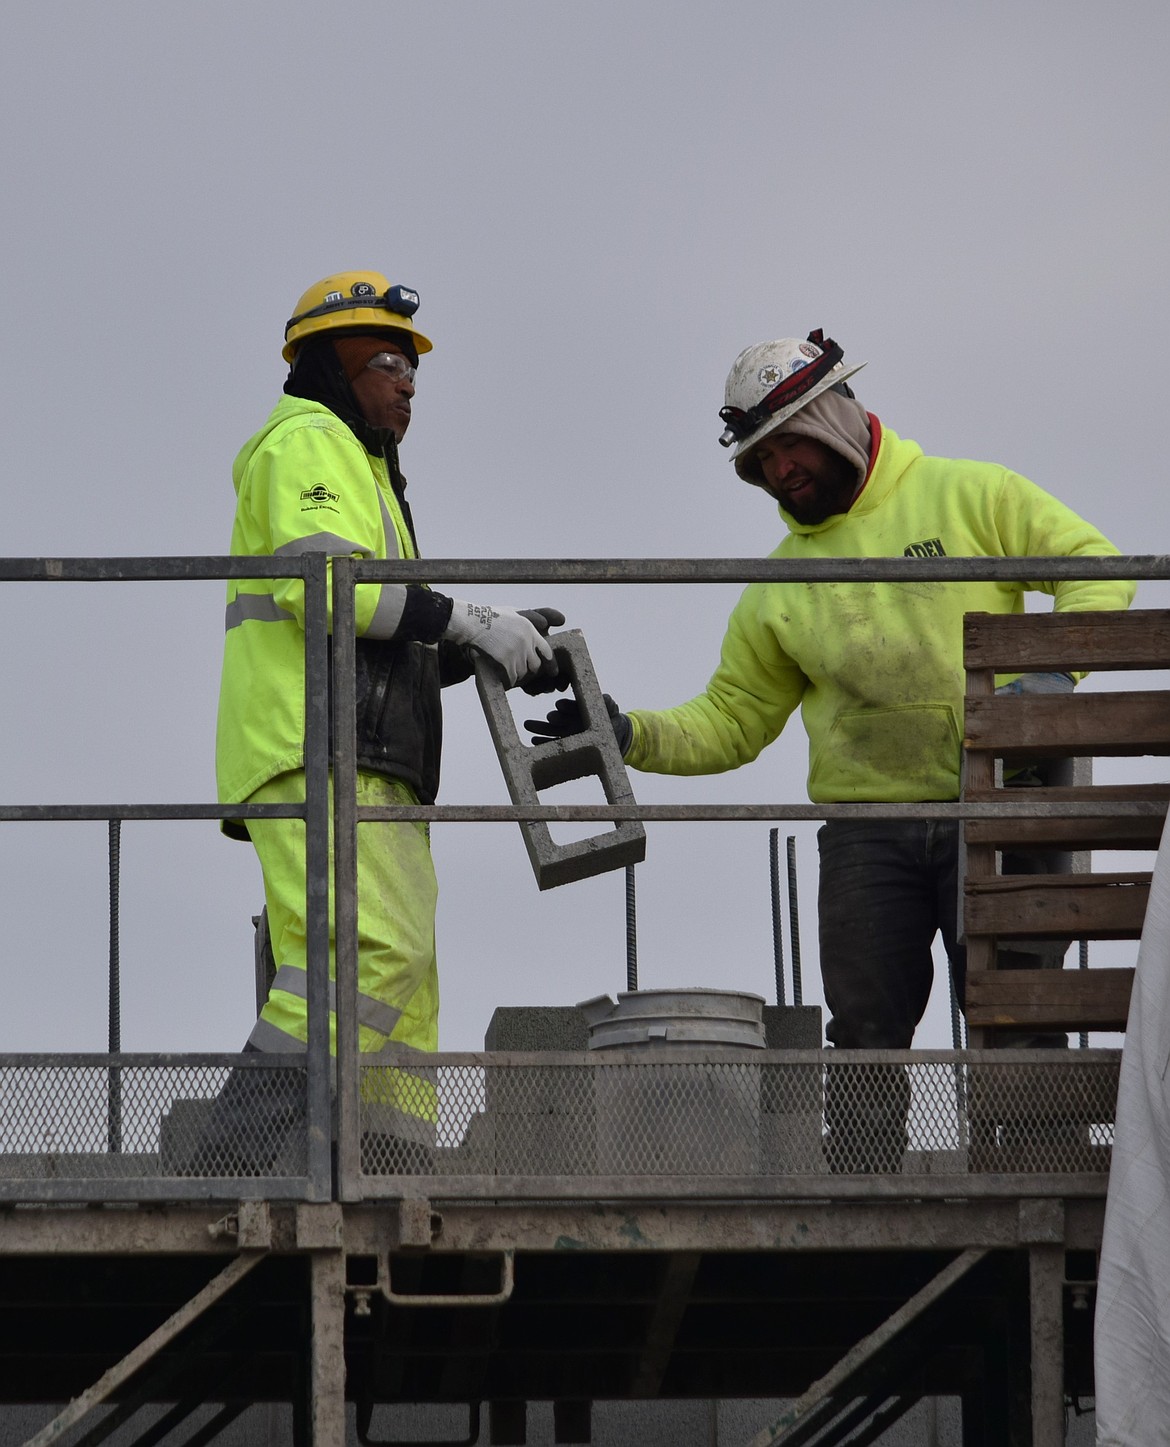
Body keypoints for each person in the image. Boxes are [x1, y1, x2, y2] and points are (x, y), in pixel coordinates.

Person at [526, 329, 1135, 1169]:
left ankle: (1041, 1176)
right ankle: (865, 1189)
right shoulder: (782, 586)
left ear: (835, 415)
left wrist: (1046, 684)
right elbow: (732, 721)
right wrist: (627, 735)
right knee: (865, 1028)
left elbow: (1097, 568)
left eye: (788, 445)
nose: (779, 471)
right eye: (760, 458)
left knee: (1020, 1013)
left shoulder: (972, 495)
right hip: (866, 832)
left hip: (1000, 807)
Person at [210, 269, 563, 1172]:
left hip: (369, 755)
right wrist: (472, 622)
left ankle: (389, 1168)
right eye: (386, 361)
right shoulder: (306, 440)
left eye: (414, 368)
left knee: (402, 986)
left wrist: (475, 647)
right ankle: (237, 1154)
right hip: (313, 747)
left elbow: (385, 637)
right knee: (366, 951)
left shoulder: (365, 467)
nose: (408, 382)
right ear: (331, 365)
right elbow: (330, 590)